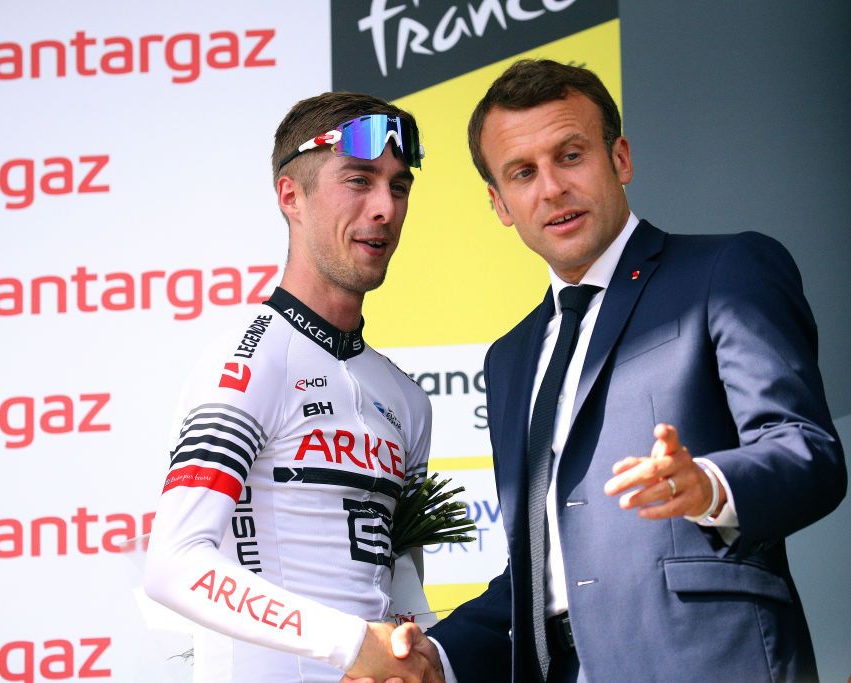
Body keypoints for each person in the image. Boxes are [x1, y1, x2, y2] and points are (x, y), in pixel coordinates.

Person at [351, 58, 847, 682]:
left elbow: (808, 453)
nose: (551, 188)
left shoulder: (726, 272)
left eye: (570, 155)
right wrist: (435, 657)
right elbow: (536, 576)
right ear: (500, 204)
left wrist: (710, 484)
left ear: (621, 159)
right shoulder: (508, 359)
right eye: (523, 173)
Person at [143, 92, 442, 683]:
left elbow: (400, 576)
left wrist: (423, 656)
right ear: (291, 197)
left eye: (398, 186)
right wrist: (350, 644)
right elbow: (173, 565)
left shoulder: (407, 399)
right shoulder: (249, 361)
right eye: (359, 180)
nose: (385, 207)